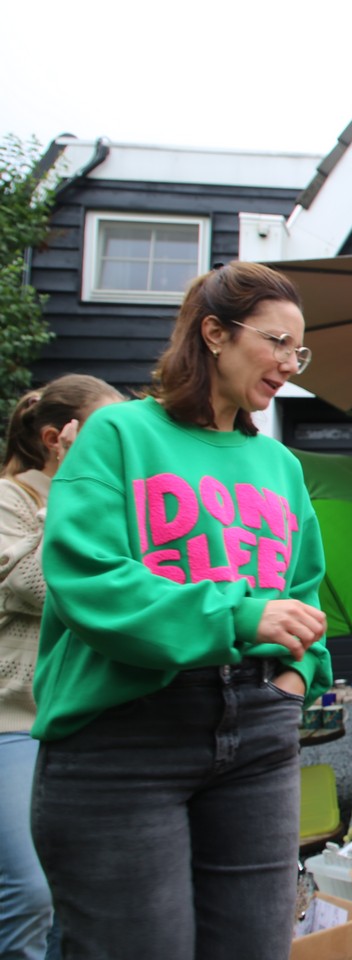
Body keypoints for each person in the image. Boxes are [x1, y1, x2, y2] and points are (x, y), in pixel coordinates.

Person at [30, 261, 332, 960]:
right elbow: (87, 577)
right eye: (277, 342)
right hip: (124, 734)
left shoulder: (280, 466)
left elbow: (304, 589)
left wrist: (295, 680)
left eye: (300, 351)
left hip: (258, 732)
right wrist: (235, 617)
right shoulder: (118, 434)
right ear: (215, 334)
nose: (290, 364)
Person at [0, 375, 122, 960]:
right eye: (105, 432)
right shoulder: (9, 502)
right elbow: (43, 585)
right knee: (30, 893)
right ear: (57, 440)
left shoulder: (105, 500)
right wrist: (73, 485)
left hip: (85, 714)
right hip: (15, 721)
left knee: (84, 892)